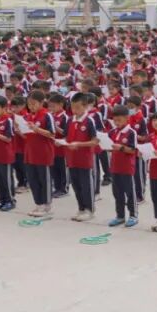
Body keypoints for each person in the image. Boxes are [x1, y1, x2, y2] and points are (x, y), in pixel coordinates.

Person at [63, 92, 99, 221]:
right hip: (71, 158)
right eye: (73, 107)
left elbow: (95, 141)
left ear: (85, 107)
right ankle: (81, 208)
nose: (75, 110)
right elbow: (66, 137)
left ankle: (89, 209)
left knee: (86, 185)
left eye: (78, 107)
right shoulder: (69, 120)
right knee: (76, 185)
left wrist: (79, 144)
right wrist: (62, 142)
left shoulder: (89, 121)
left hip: (84, 158)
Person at [106, 105, 139, 228]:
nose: (117, 123)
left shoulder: (131, 132)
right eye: (115, 120)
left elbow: (132, 150)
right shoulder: (112, 132)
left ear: (126, 118)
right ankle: (120, 215)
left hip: (127, 167)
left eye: (119, 120)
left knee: (130, 192)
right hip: (115, 166)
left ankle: (133, 215)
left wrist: (120, 147)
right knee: (117, 193)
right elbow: (109, 146)